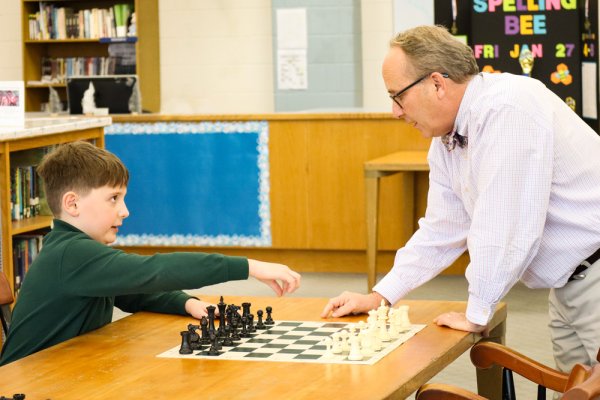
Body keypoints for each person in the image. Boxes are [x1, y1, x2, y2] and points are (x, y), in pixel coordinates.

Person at [322, 25, 600, 372]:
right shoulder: (447, 139)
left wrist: (478, 310)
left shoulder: (507, 108)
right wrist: (380, 296)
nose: (395, 111)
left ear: (437, 83)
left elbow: (505, 224)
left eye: (397, 96)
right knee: (576, 389)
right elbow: (441, 229)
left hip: (595, 275)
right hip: (568, 284)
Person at [0, 141, 301, 366]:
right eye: (113, 199)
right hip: (26, 383)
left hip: (62, 374)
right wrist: (249, 266)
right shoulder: (71, 254)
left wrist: (186, 303)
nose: (125, 210)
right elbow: (156, 270)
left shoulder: (74, 250)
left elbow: (135, 292)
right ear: (73, 204)